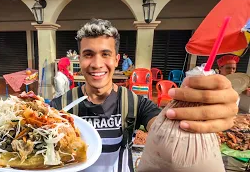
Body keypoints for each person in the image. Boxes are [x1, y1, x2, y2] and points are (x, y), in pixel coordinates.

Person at [50, 19, 238, 172]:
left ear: (116, 60)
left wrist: (195, 112)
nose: (97, 64)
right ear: (80, 60)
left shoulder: (135, 103)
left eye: (105, 54)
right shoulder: (61, 106)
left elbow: (164, 127)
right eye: (88, 54)